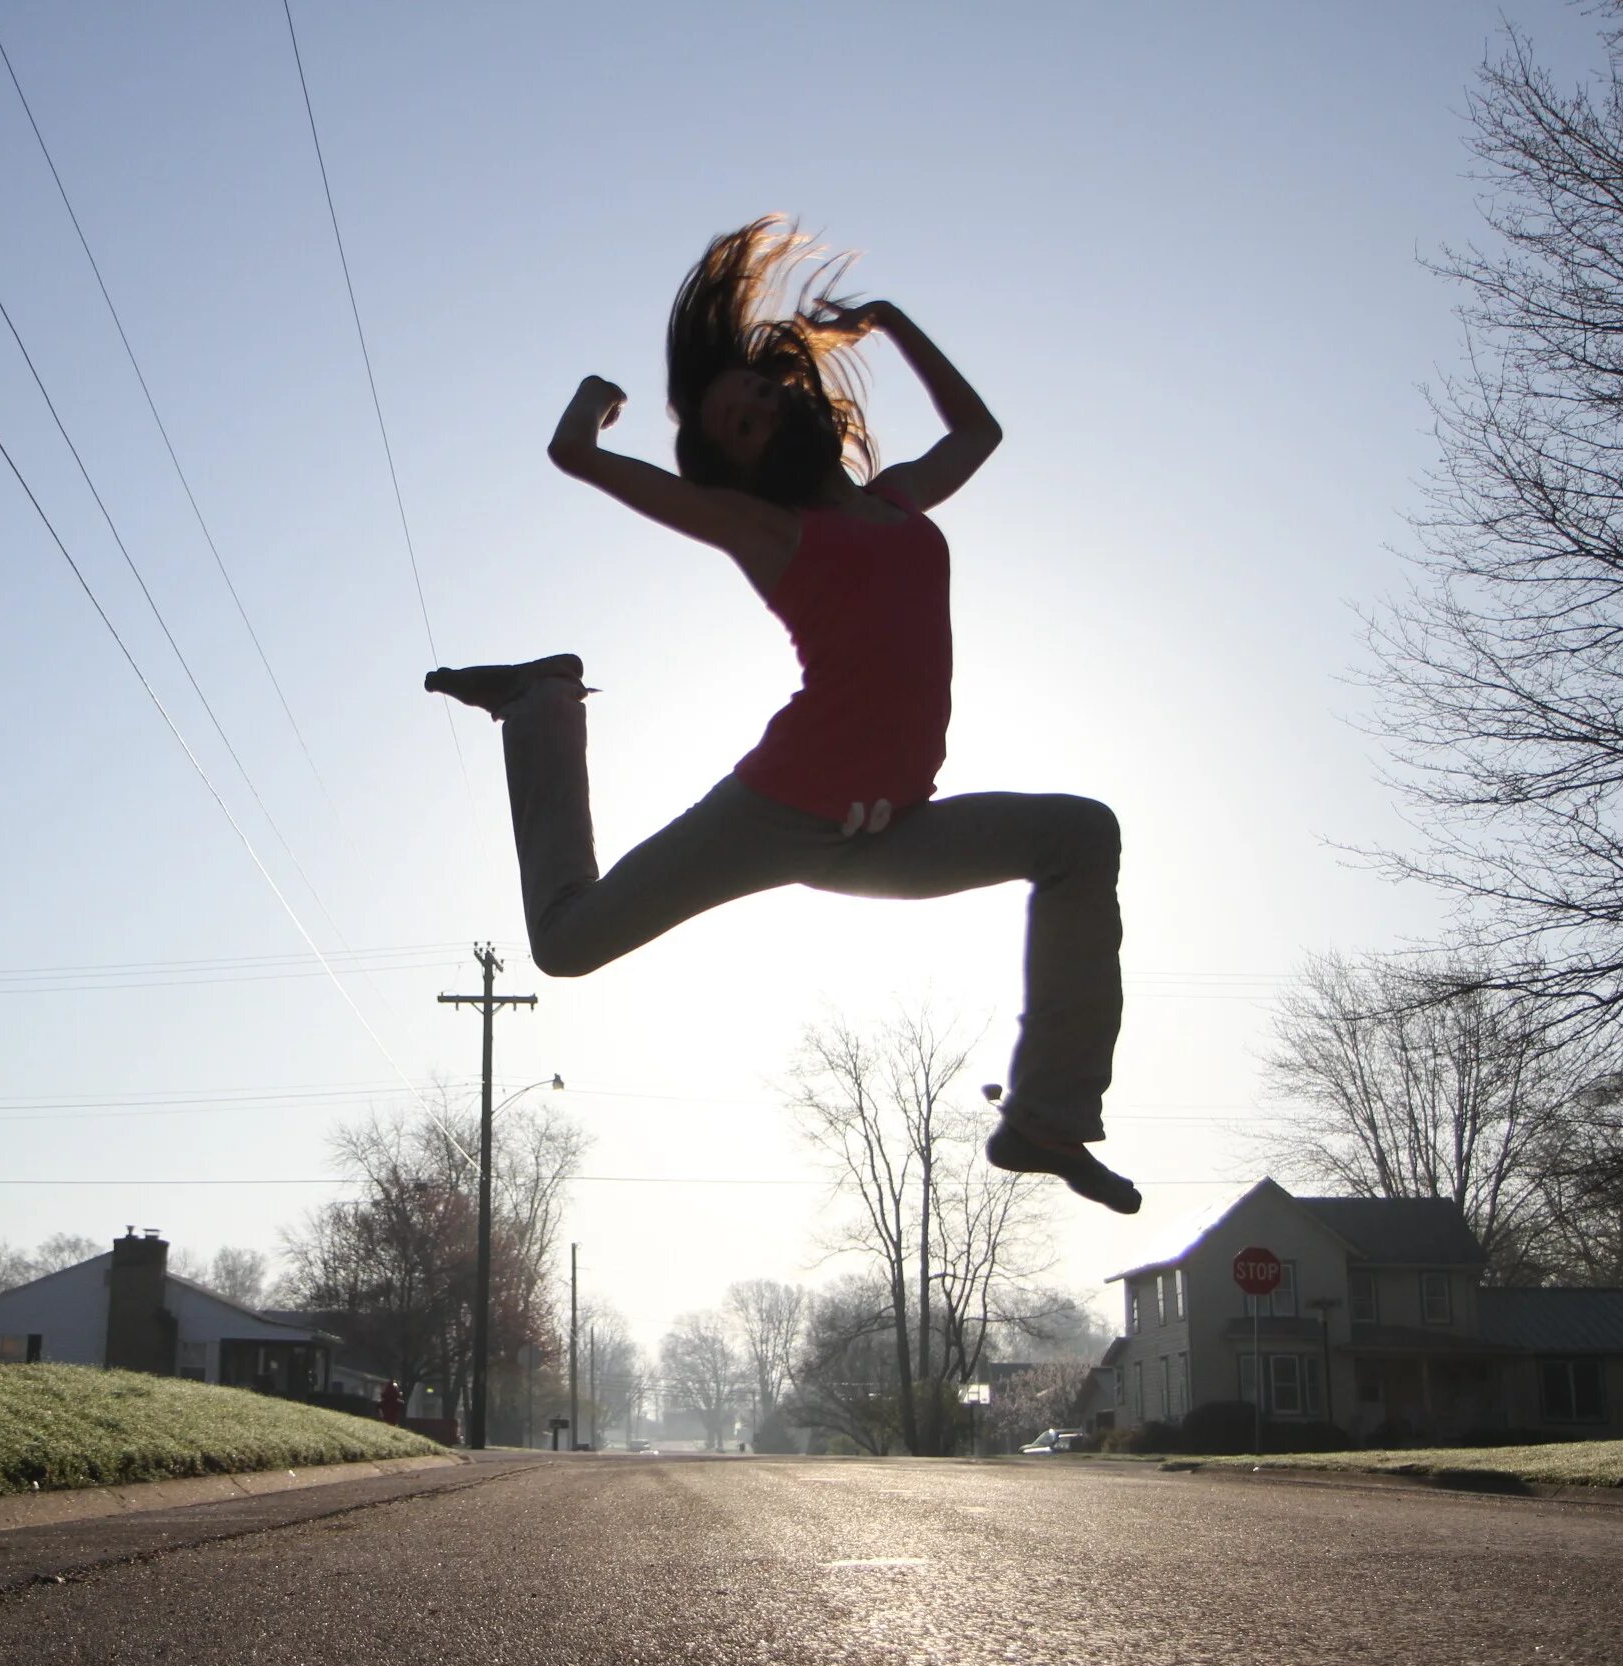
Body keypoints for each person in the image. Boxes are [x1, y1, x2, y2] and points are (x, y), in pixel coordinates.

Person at [426, 218, 1136, 1214]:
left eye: (762, 396)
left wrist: (891, 321)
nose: (763, 409)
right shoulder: (765, 528)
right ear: (741, 468)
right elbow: (572, 453)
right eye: (743, 424)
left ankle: (1045, 1119)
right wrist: (597, 398)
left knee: (1079, 836)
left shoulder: (898, 502)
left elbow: (980, 433)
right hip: (779, 810)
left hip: (891, 829)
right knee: (567, 946)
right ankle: (538, 704)